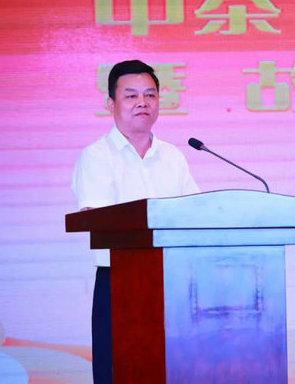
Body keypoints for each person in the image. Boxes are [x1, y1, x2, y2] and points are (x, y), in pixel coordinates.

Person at [71, 60, 199, 383]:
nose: (142, 103)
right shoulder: (96, 156)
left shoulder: (173, 157)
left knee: (174, 370)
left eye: (150, 95)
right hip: (120, 283)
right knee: (120, 372)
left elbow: (196, 214)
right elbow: (100, 222)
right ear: (110, 104)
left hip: (172, 282)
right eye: (131, 96)